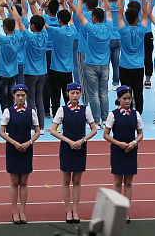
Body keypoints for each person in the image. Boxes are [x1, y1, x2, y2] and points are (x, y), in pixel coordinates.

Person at [50, 82, 96, 224]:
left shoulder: (85, 110)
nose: (75, 96)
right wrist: (69, 141)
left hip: (80, 148)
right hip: (66, 148)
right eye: (72, 93)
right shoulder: (62, 110)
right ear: (67, 94)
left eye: (77, 93)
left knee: (77, 180)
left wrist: (82, 140)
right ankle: (68, 209)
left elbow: (94, 129)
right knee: (65, 180)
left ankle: (75, 209)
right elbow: (53, 130)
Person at [0, 83, 40, 225]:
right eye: (18, 95)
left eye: (23, 95)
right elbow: (2, 132)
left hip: (26, 149)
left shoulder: (31, 112)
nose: (21, 98)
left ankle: (22, 210)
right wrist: (14, 143)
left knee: (24, 182)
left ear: (26, 96)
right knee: (14, 182)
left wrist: (29, 143)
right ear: (14, 96)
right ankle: (14, 210)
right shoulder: (8, 112)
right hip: (13, 149)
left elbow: (37, 131)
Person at [102, 85, 144, 210]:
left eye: (129, 98)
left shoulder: (136, 114)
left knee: (129, 182)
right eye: (124, 98)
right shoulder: (113, 114)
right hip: (117, 151)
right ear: (119, 99)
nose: (127, 101)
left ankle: (125, 210)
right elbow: (106, 134)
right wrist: (118, 143)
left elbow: (140, 134)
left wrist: (134, 143)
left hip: (131, 150)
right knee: (117, 181)